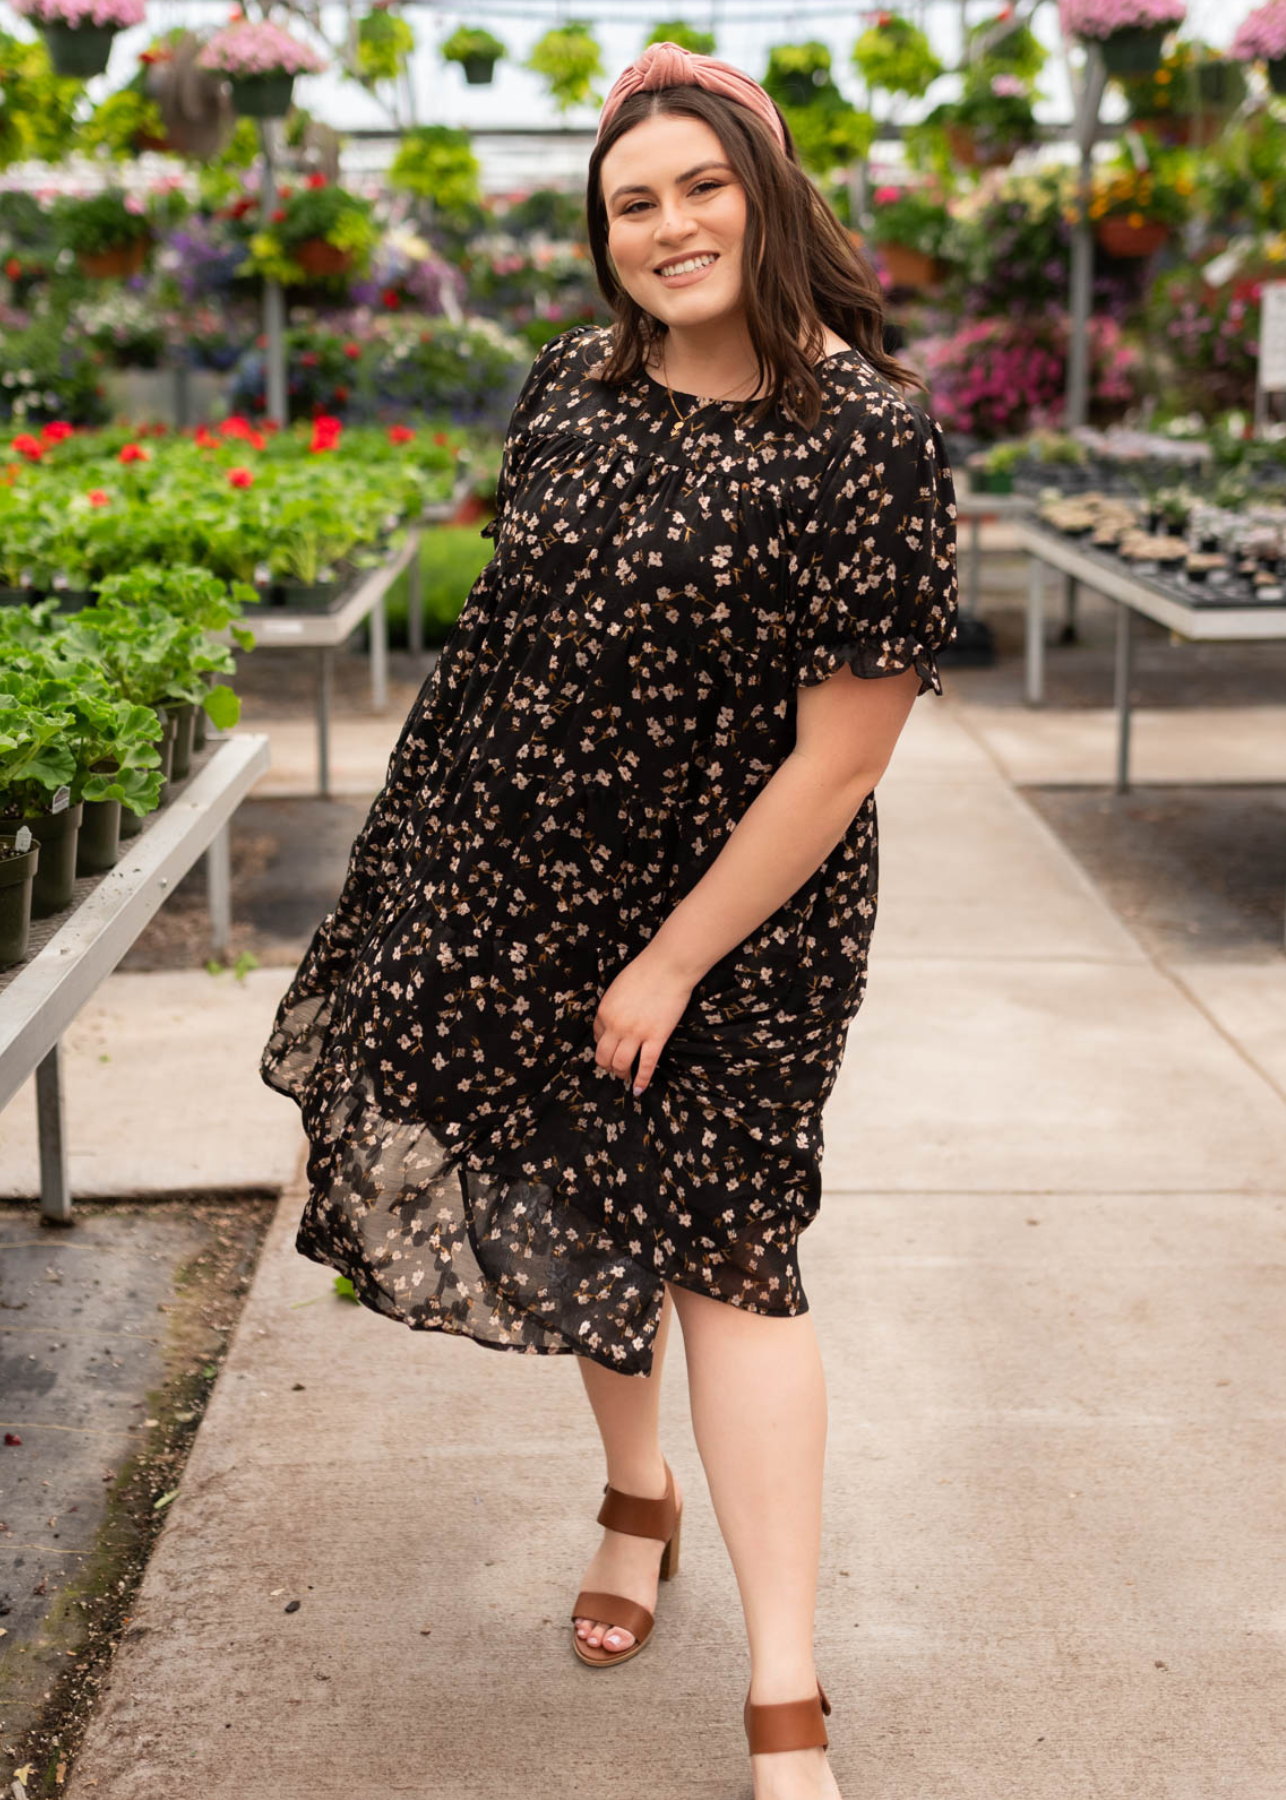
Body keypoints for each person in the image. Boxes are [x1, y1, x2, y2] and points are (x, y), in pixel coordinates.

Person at [261, 38, 957, 1800]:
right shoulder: (570, 383)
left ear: (769, 191)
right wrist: (435, 880)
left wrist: (669, 959)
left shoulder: (870, 437)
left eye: (701, 186)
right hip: (528, 880)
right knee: (586, 1205)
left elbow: (834, 765)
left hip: (743, 922)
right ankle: (633, 1501)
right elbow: (509, 644)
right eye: (631, 201)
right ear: (603, 231)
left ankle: (784, 1695)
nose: (669, 226)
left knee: (734, 1261)